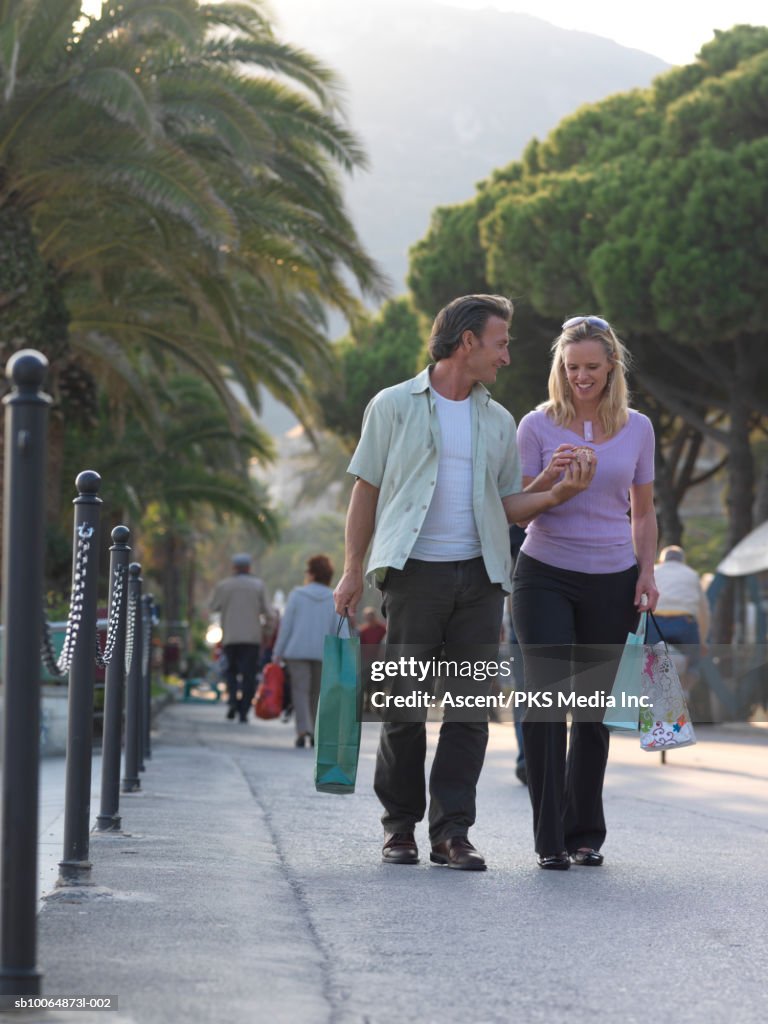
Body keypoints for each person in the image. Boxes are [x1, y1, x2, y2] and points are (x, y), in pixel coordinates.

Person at [333, 294, 596, 871]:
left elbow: (507, 506)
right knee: (405, 707)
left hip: (481, 578)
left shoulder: (498, 420)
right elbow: (366, 489)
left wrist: (555, 493)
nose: (507, 356)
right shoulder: (393, 405)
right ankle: (399, 827)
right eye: (500, 342)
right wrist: (352, 570)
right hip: (414, 577)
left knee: (469, 711)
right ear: (468, 341)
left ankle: (452, 832)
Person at [511, 314, 659, 870]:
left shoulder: (639, 428)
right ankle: (549, 840)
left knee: (592, 712)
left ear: (611, 366)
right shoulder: (537, 425)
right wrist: (550, 479)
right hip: (544, 572)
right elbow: (514, 506)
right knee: (546, 705)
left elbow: (642, 513)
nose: (580, 377)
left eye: (591, 367)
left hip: (614, 578)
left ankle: (584, 834)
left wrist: (646, 573)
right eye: (571, 367)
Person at [272, 554, 343, 748]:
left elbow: (286, 626)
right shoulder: (334, 596)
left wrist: (277, 653)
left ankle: (303, 730)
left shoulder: (297, 594)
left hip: (297, 651)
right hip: (323, 652)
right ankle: (315, 731)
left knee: (300, 692)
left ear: (311, 574)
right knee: (317, 694)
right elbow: (338, 628)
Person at [209, 553, 272, 723]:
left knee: (231, 671)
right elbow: (269, 612)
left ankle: (232, 703)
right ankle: (244, 710)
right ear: (249, 567)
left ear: (234, 568)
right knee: (249, 674)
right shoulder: (258, 586)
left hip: (230, 636)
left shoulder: (224, 586)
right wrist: (268, 632)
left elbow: (213, 606)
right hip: (252, 638)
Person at [647, 546, 710, 663]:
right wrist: (702, 641)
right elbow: (703, 612)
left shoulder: (653, 571)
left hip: (655, 622)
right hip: (684, 623)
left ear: (662, 560)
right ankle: (690, 676)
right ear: (682, 561)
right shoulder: (692, 574)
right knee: (693, 663)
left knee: (648, 663)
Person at [358, 606, 387, 712]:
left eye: (371, 617)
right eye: (367, 617)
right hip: (367, 661)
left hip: (380, 661)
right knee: (367, 684)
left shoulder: (383, 629)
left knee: (380, 684)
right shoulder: (363, 631)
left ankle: (379, 706)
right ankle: (367, 706)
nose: (369, 619)